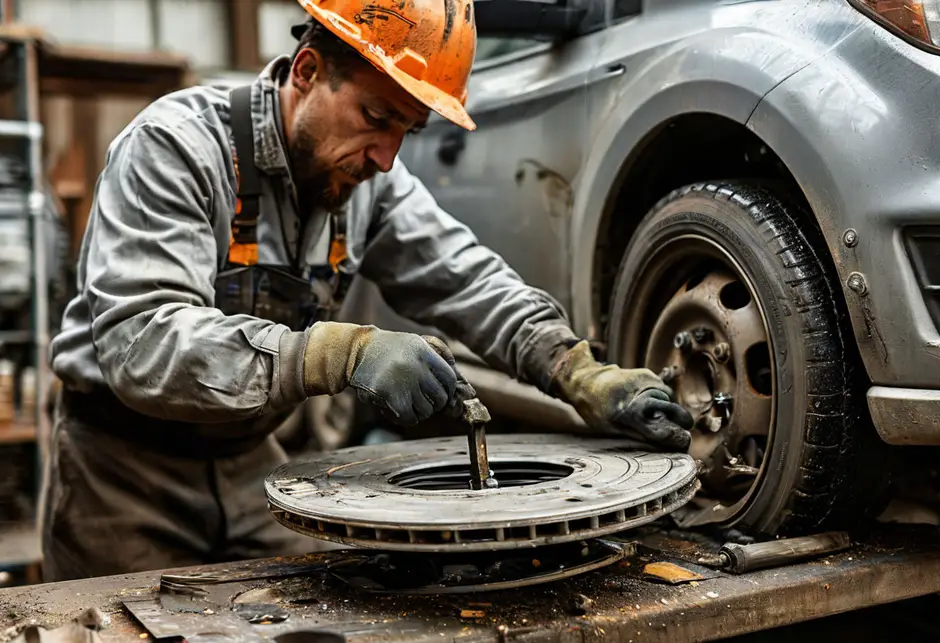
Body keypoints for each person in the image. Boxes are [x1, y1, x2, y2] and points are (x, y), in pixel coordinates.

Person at [41, 0, 693, 581]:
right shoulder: (176, 148)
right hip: (121, 475)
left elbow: (469, 281)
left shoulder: (370, 185)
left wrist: (578, 371)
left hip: (251, 464)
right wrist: (337, 353)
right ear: (306, 72)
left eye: (404, 131)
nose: (386, 156)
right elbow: (145, 344)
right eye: (376, 117)